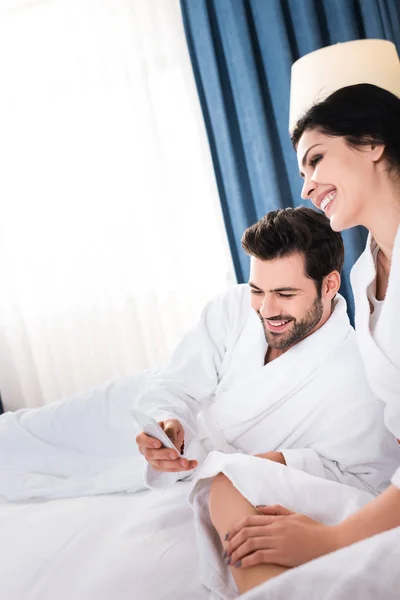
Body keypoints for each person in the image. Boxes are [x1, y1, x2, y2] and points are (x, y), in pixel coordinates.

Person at [206, 84, 400, 598]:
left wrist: (329, 539)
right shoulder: (364, 274)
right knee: (227, 482)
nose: (309, 186)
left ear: (371, 142)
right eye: (302, 174)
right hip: (389, 487)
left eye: (316, 160)